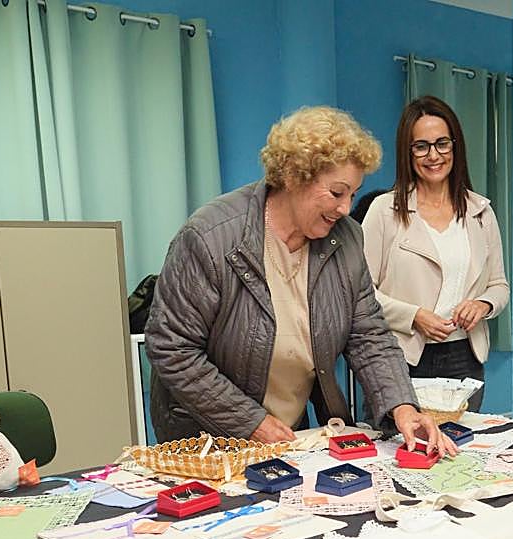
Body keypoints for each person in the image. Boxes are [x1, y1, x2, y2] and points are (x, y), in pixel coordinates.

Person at [144, 106, 455, 456]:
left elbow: (369, 334)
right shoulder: (210, 237)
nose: (345, 208)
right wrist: (251, 422)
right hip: (205, 439)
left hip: (287, 434)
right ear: (294, 177)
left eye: (353, 194)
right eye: (337, 193)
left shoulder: (347, 238)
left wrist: (403, 407)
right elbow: (172, 349)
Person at [361, 95, 510, 412]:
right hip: (401, 358)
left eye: (442, 144)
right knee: (399, 455)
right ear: (408, 152)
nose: (434, 155)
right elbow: (360, 294)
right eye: (421, 146)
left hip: (464, 359)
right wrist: (413, 316)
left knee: (461, 453)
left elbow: (499, 286)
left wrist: (482, 304)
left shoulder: (481, 212)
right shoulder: (384, 211)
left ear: (455, 146)